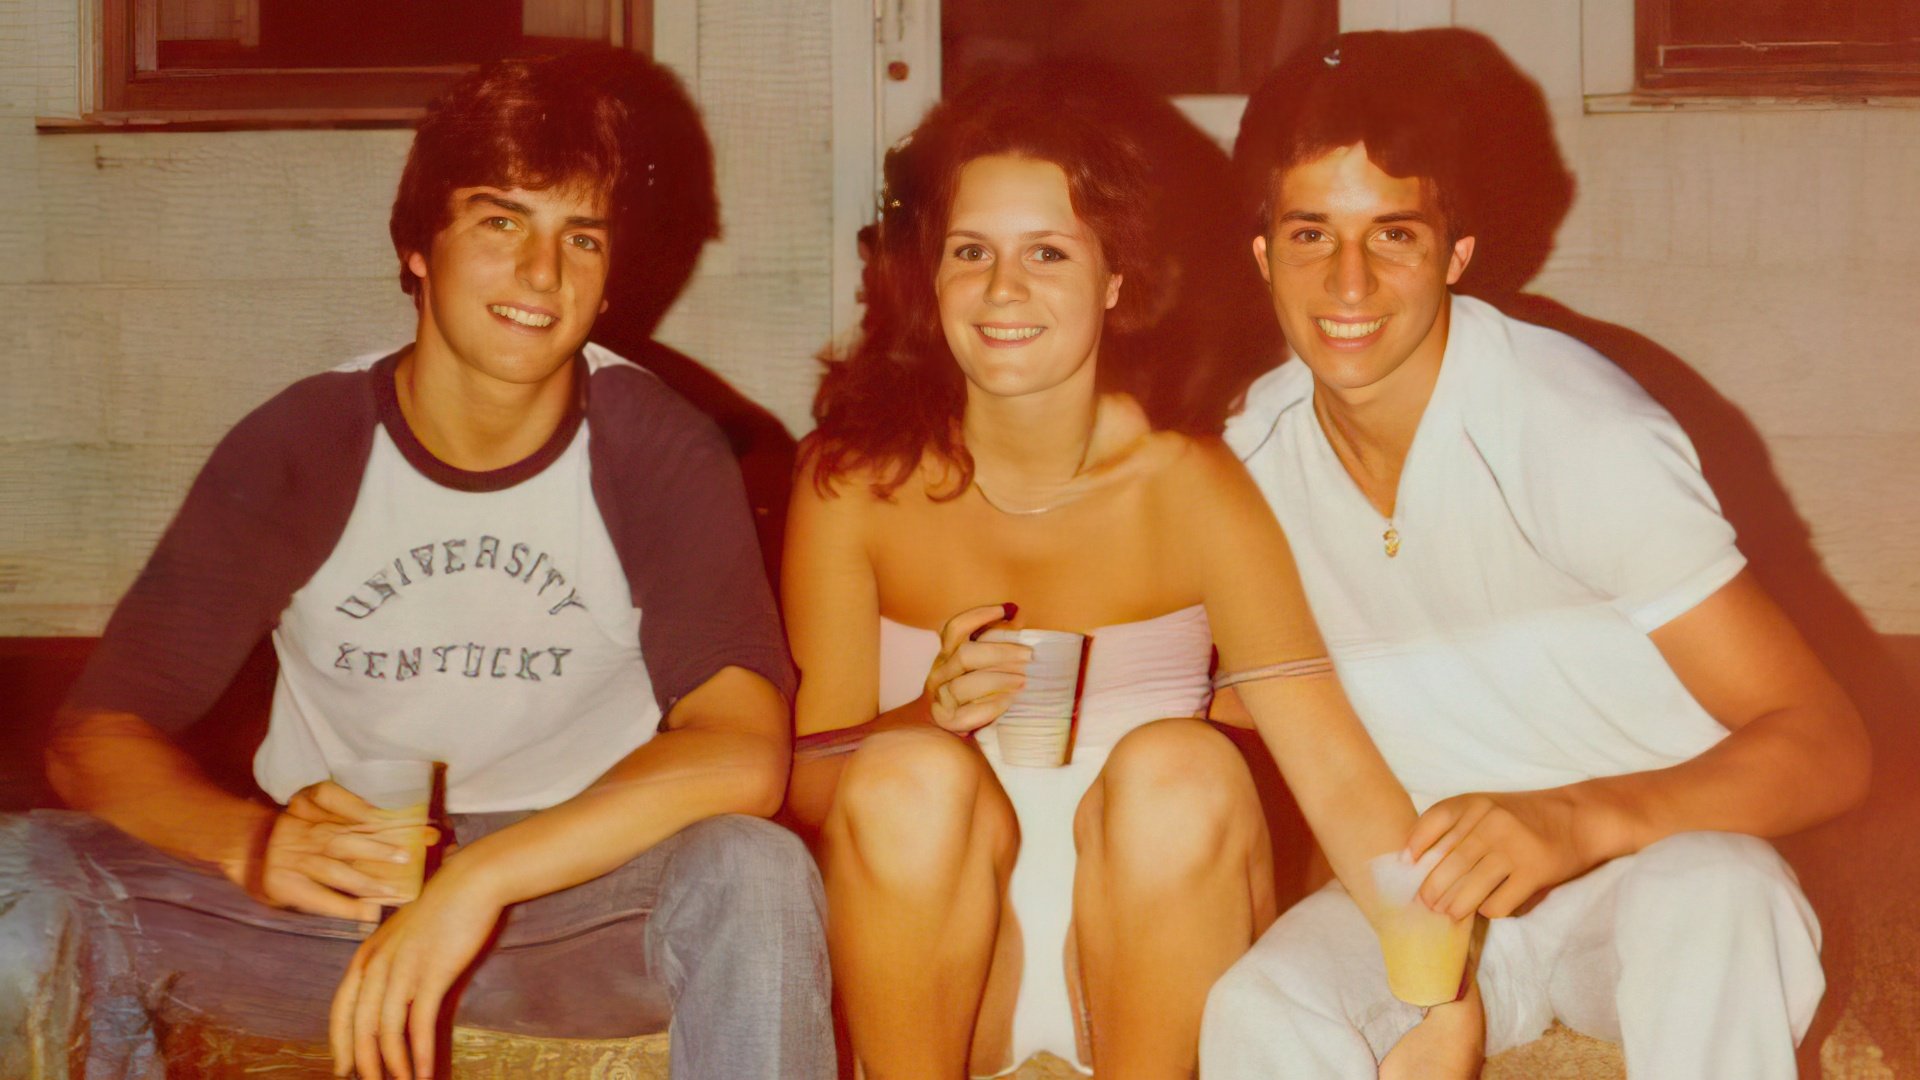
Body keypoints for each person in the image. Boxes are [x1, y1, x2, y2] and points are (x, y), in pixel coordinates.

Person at [3, 48, 832, 1080]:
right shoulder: (306, 440)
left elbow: (743, 751)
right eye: (501, 223)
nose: (544, 274)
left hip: (573, 909)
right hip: (327, 906)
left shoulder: (657, 446)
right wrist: (253, 844)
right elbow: (95, 736)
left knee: (754, 872)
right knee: (18, 875)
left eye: (581, 237)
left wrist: (479, 881)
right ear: (417, 249)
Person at [1201, 29, 1871, 1079]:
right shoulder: (1246, 457)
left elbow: (1829, 743)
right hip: (1437, 905)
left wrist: (1576, 819)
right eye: (1309, 234)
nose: (1348, 282)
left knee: (1718, 896)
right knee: (1261, 1007)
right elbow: (1246, 696)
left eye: (1395, 236)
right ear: (1262, 253)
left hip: (1650, 872)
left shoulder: (1579, 433)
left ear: (1457, 253)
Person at [782, 71, 1423, 1079]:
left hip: (1158, 960)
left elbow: (1334, 773)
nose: (1004, 290)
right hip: (940, 963)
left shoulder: (1191, 486)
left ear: (1116, 277)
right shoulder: (851, 484)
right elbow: (812, 784)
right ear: (930, 276)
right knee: (906, 776)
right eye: (971, 253)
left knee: (1185, 769)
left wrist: (1437, 982)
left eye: (1048, 252)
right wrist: (925, 716)